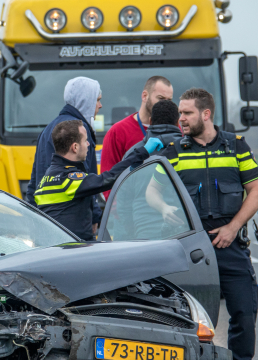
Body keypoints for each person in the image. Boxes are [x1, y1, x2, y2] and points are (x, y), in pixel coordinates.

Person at [146, 88, 258, 360]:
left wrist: (233, 227)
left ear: (206, 114)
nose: (180, 119)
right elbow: (152, 191)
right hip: (191, 249)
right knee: (186, 318)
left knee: (245, 315)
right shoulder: (173, 151)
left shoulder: (236, 147)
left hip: (230, 244)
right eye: (180, 113)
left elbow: (256, 191)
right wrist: (162, 209)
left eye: (186, 113)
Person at [34, 119, 162, 240]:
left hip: (58, 249)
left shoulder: (48, 177)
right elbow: (108, 178)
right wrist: (142, 152)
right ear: (75, 147)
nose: (88, 144)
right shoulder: (68, 180)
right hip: (70, 252)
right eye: (85, 140)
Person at [27, 77, 103, 235]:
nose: (100, 106)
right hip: (73, 223)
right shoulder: (79, 131)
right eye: (97, 100)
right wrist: (95, 216)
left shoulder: (49, 129)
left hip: (47, 222)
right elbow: (88, 181)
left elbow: (34, 184)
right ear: (85, 100)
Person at [100, 76, 173, 197]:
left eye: (168, 100)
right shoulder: (117, 132)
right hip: (132, 212)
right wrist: (120, 214)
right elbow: (108, 181)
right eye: (160, 98)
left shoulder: (176, 130)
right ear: (145, 96)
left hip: (167, 209)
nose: (165, 105)